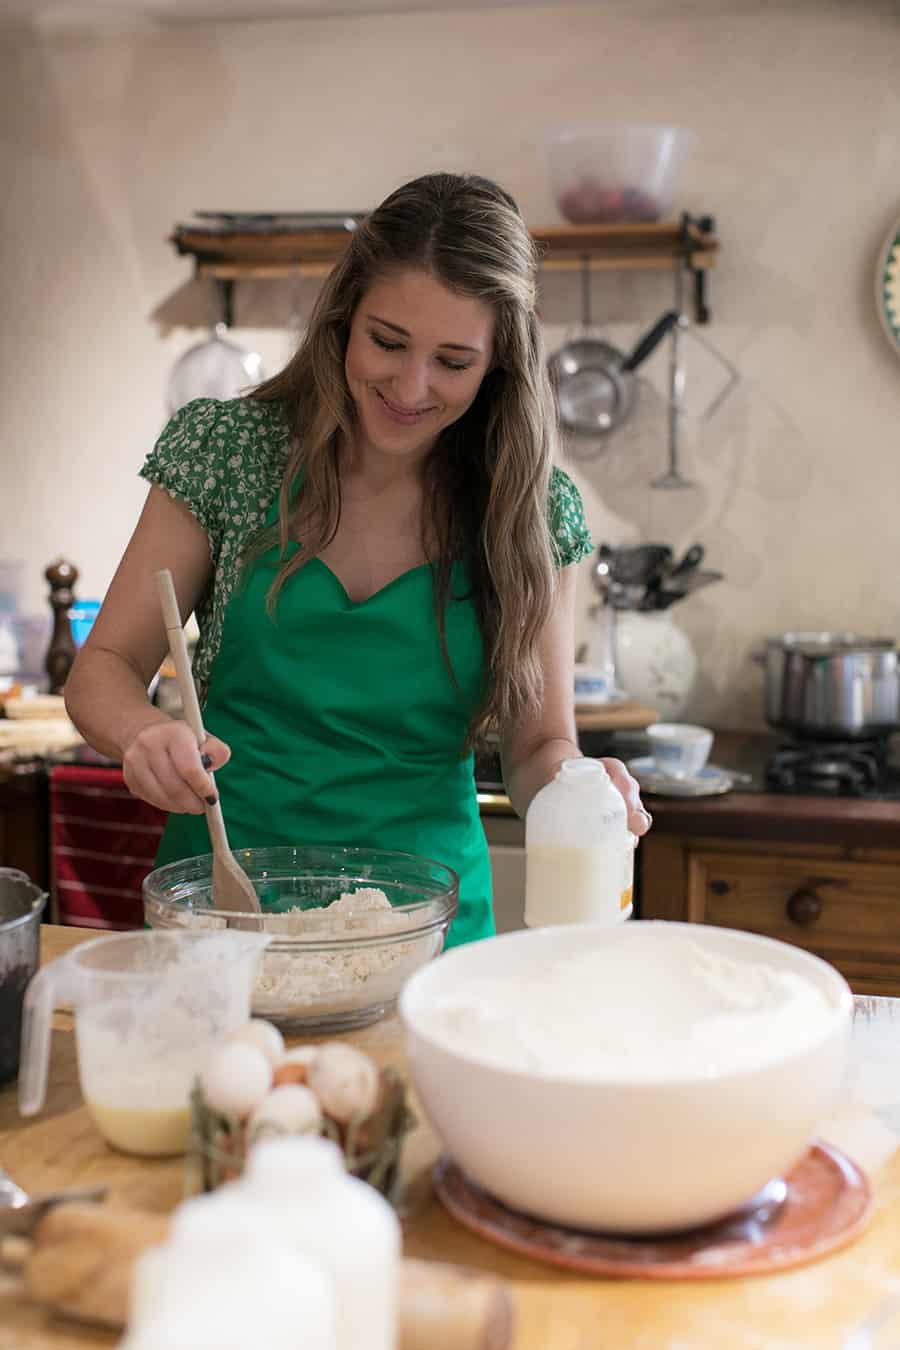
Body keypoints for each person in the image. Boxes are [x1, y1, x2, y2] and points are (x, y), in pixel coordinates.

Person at [65, 171, 652, 948]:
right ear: (343, 320)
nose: (411, 387)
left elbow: (538, 746)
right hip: (223, 917)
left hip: (426, 934)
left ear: (499, 364)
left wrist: (580, 789)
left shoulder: (531, 513)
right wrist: (143, 734)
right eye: (387, 342)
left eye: (453, 361)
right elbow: (101, 667)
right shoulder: (228, 453)